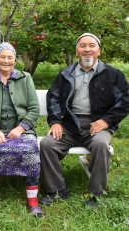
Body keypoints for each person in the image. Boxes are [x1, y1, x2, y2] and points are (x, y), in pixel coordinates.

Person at [39, 33, 129, 207]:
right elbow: (53, 99)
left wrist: (107, 121)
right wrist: (55, 121)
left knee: (101, 145)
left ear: (99, 51)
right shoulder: (65, 74)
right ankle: (57, 190)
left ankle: (96, 194)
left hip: (98, 124)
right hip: (70, 124)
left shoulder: (113, 75)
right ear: (77, 51)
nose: (87, 49)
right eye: (82, 46)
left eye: (92, 46)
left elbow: (125, 101)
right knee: (47, 144)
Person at [0, 42, 44, 218]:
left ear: (15, 60)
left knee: (30, 148)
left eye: (10, 57)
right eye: (2, 56)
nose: (6, 61)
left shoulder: (25, 77)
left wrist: (21, 128)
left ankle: (32, 201)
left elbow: (34, 108)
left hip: (21, 129)